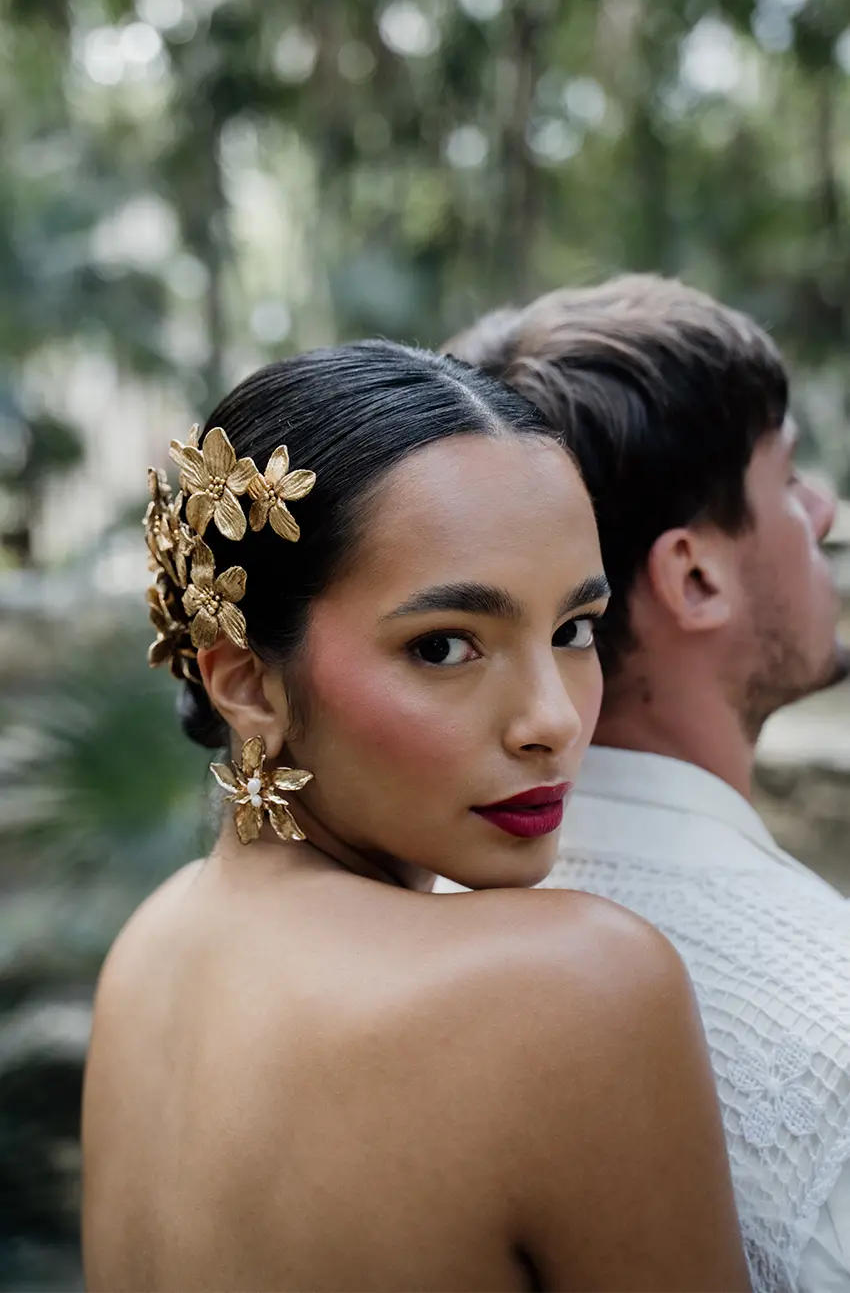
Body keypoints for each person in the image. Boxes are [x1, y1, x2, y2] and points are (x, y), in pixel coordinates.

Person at [81, 340, 749, 1293]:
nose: (554, 722)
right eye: (444, 647)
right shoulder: (575, 991)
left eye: (574, 631)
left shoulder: (147, 954)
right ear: (246, 682)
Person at [443, 275, 850, 1293]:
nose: (824, 511)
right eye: (788, 480)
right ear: (694, 577)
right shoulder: (831, 1012)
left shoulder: (409, 910)